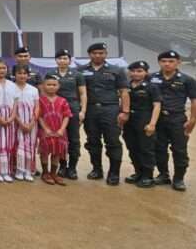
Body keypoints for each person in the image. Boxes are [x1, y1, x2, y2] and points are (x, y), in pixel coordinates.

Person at [79, 42, 129, 186]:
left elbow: (124, 92)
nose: (98, 55)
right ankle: (97, 169)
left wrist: (125, 111)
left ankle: (114, 173)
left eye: (101, 53)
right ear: (89, 54)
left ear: (106, 54)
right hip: (90, 110)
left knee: (113, 141)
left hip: (110, 110)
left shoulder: (117, 70)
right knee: (92, 141)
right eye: (94, 53)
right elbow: (79, 92)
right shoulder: (81, 71)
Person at [150, 50, 196, 191]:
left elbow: (195, 100)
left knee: (179, 150)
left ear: (178, 62)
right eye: (164, 61)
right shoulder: (151, 78)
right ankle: (163, 175)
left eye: (171, 61)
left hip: (177, 119)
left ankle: (178, 178)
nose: (167, 64)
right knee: (158, 148)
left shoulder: (187, 80)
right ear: (159, 62)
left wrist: (193, 120)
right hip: (158, 119)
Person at [46, 49, 87, 180]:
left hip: (73, 108)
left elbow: (83, 94)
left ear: (70, 60)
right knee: (60, 138)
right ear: (56, 60)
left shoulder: (77, 74)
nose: (62, 61)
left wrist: (82, 111)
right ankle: (62, 166)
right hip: (56, 110)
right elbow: (46, 91)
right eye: (60, 58)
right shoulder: (51, 74)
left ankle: (72, 168)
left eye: (65, 58)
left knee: (74, 139)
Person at [124, 60, 161, 188]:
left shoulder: (152, 87)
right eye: (133, 71)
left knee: (146, 148)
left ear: (146, 72)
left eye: (139, 71)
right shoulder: (127, 86)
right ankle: (138, 172)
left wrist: (152, 124)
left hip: (144, 119)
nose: (136, 73)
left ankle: (148, 176)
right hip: (129, 121)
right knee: (132, 147)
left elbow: (157, 106)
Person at [38, 75, 71, 186]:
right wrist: (45, 129)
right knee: (45, 151)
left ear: (58, 86)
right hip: (45, 131)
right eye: (48, 84)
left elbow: (67, 116)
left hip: (60, 131)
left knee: (57, 152)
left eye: (54, 85)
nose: (51, 87)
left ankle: (53, 173)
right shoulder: (40, 100)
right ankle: (45, 173)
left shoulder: (63, 100)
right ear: (43, 86)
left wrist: (62, 129)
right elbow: (39, 116)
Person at [13, 64, 40, 182]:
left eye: (24, 73)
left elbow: (37, 107)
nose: (22, 75)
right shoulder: (11, 88)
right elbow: (11, 108)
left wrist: (32, 122)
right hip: (16, 122)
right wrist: (20, 123)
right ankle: (19, 170)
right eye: (19, 73)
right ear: (14, 75)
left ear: (28, 75)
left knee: (30, 145)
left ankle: (28, 170)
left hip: (31, 123)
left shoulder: (34, 89)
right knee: (19, 145)